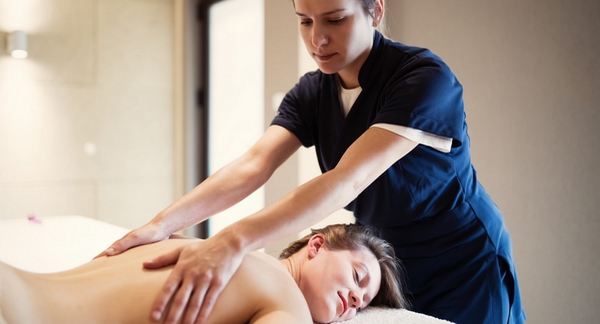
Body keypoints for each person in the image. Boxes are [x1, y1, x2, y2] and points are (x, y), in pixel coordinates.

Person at [98, 0, 525, 323]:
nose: (316, 39)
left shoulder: (424, 80)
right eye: (305, 20)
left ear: (375, 10)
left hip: (461, 258)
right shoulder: (312, 92)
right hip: (383, 266)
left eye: (334, 19)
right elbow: (253, 165)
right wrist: (161, 225)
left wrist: (232, 241)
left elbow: (346, 181)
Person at [0, 224, 407, 324]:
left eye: (362, 305)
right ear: (316, 246)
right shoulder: (287, 302)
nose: (354, 302)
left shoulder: (204, 247)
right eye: (358, 279)